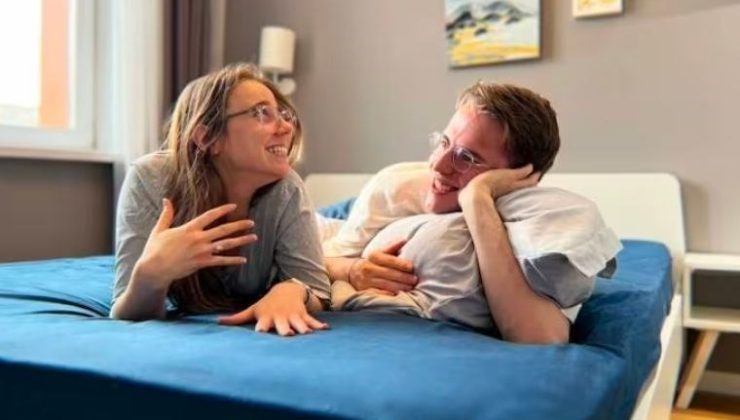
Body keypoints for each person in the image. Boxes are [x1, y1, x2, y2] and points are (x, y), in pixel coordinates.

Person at [324, 82, 620, 345]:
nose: (438, 165)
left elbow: (538, 337)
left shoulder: (537, 219)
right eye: (444, 143)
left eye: (466, 158)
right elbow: (319, 260)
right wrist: (350, 270)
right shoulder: (398, 186)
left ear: (516, 177)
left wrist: (477, 199)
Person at [111, 62, 330, 337]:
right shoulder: (150, 179)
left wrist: (292, 291)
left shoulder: (287, 189)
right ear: (207, 138)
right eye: (261, 112)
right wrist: (151, 276)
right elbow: (125, 312)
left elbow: (317, 288)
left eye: (283, 114)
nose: (286, 127)